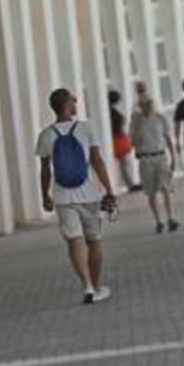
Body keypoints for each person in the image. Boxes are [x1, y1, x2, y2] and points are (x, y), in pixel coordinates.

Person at [36, 89, 117, 304]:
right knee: (94, 241)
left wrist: (45, 195)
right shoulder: (86, 128)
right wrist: (109, 189)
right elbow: (97, 160)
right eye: (73, 99)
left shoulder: (45, 135)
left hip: (63, 197)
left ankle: (87, 286)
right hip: (88, 194)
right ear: (67, 105)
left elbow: (45, 170)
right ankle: (97, 285)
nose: (76, 101)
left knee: (75, 241)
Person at [129, 93, 179, 234]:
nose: (148, 106)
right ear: (140, 106)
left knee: (165, 188)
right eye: (144, 104)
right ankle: (159, 221)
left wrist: (174, 158)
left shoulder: (160, 118)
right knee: (151, 192)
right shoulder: (135, 121)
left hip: (161, 156)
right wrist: (138, 124)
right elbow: (134, 142)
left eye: (149, 103)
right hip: (145, 158)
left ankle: (170, 218)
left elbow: (168, 138)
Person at [108, 90, 139, 192]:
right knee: (124, 162)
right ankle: (129, 184)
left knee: (125, 162)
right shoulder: (111, 112)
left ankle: (129, 183)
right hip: (118, 138)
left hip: (119, 138)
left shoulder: (111, 111)